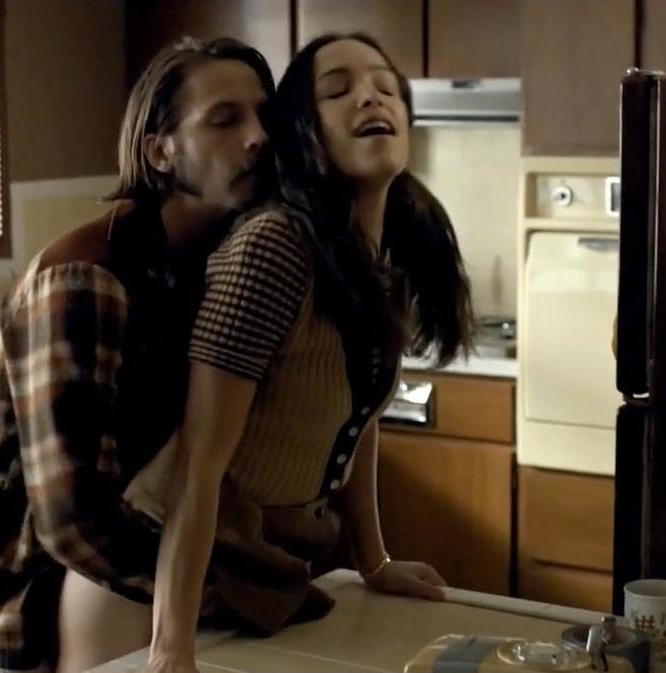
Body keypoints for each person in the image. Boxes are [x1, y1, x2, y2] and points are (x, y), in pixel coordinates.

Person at [125, 32, 476, 673]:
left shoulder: (386, 251)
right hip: (157, 582)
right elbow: (198, 463)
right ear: (301, 131)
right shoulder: (274, 248)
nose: (370, 97)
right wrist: (171, 648)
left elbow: (358, 419)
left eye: (386, 86)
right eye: (338, 91)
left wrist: (375, 561)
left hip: (263, 568)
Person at [0, 37, 276, 673]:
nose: (258, 137)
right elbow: (72, 518)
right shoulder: (87, 278)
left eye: (264, 116)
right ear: (161, 151)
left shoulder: (211, 263)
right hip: (11, 602)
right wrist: (218, 587)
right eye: (225, 120)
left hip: (98, 591)